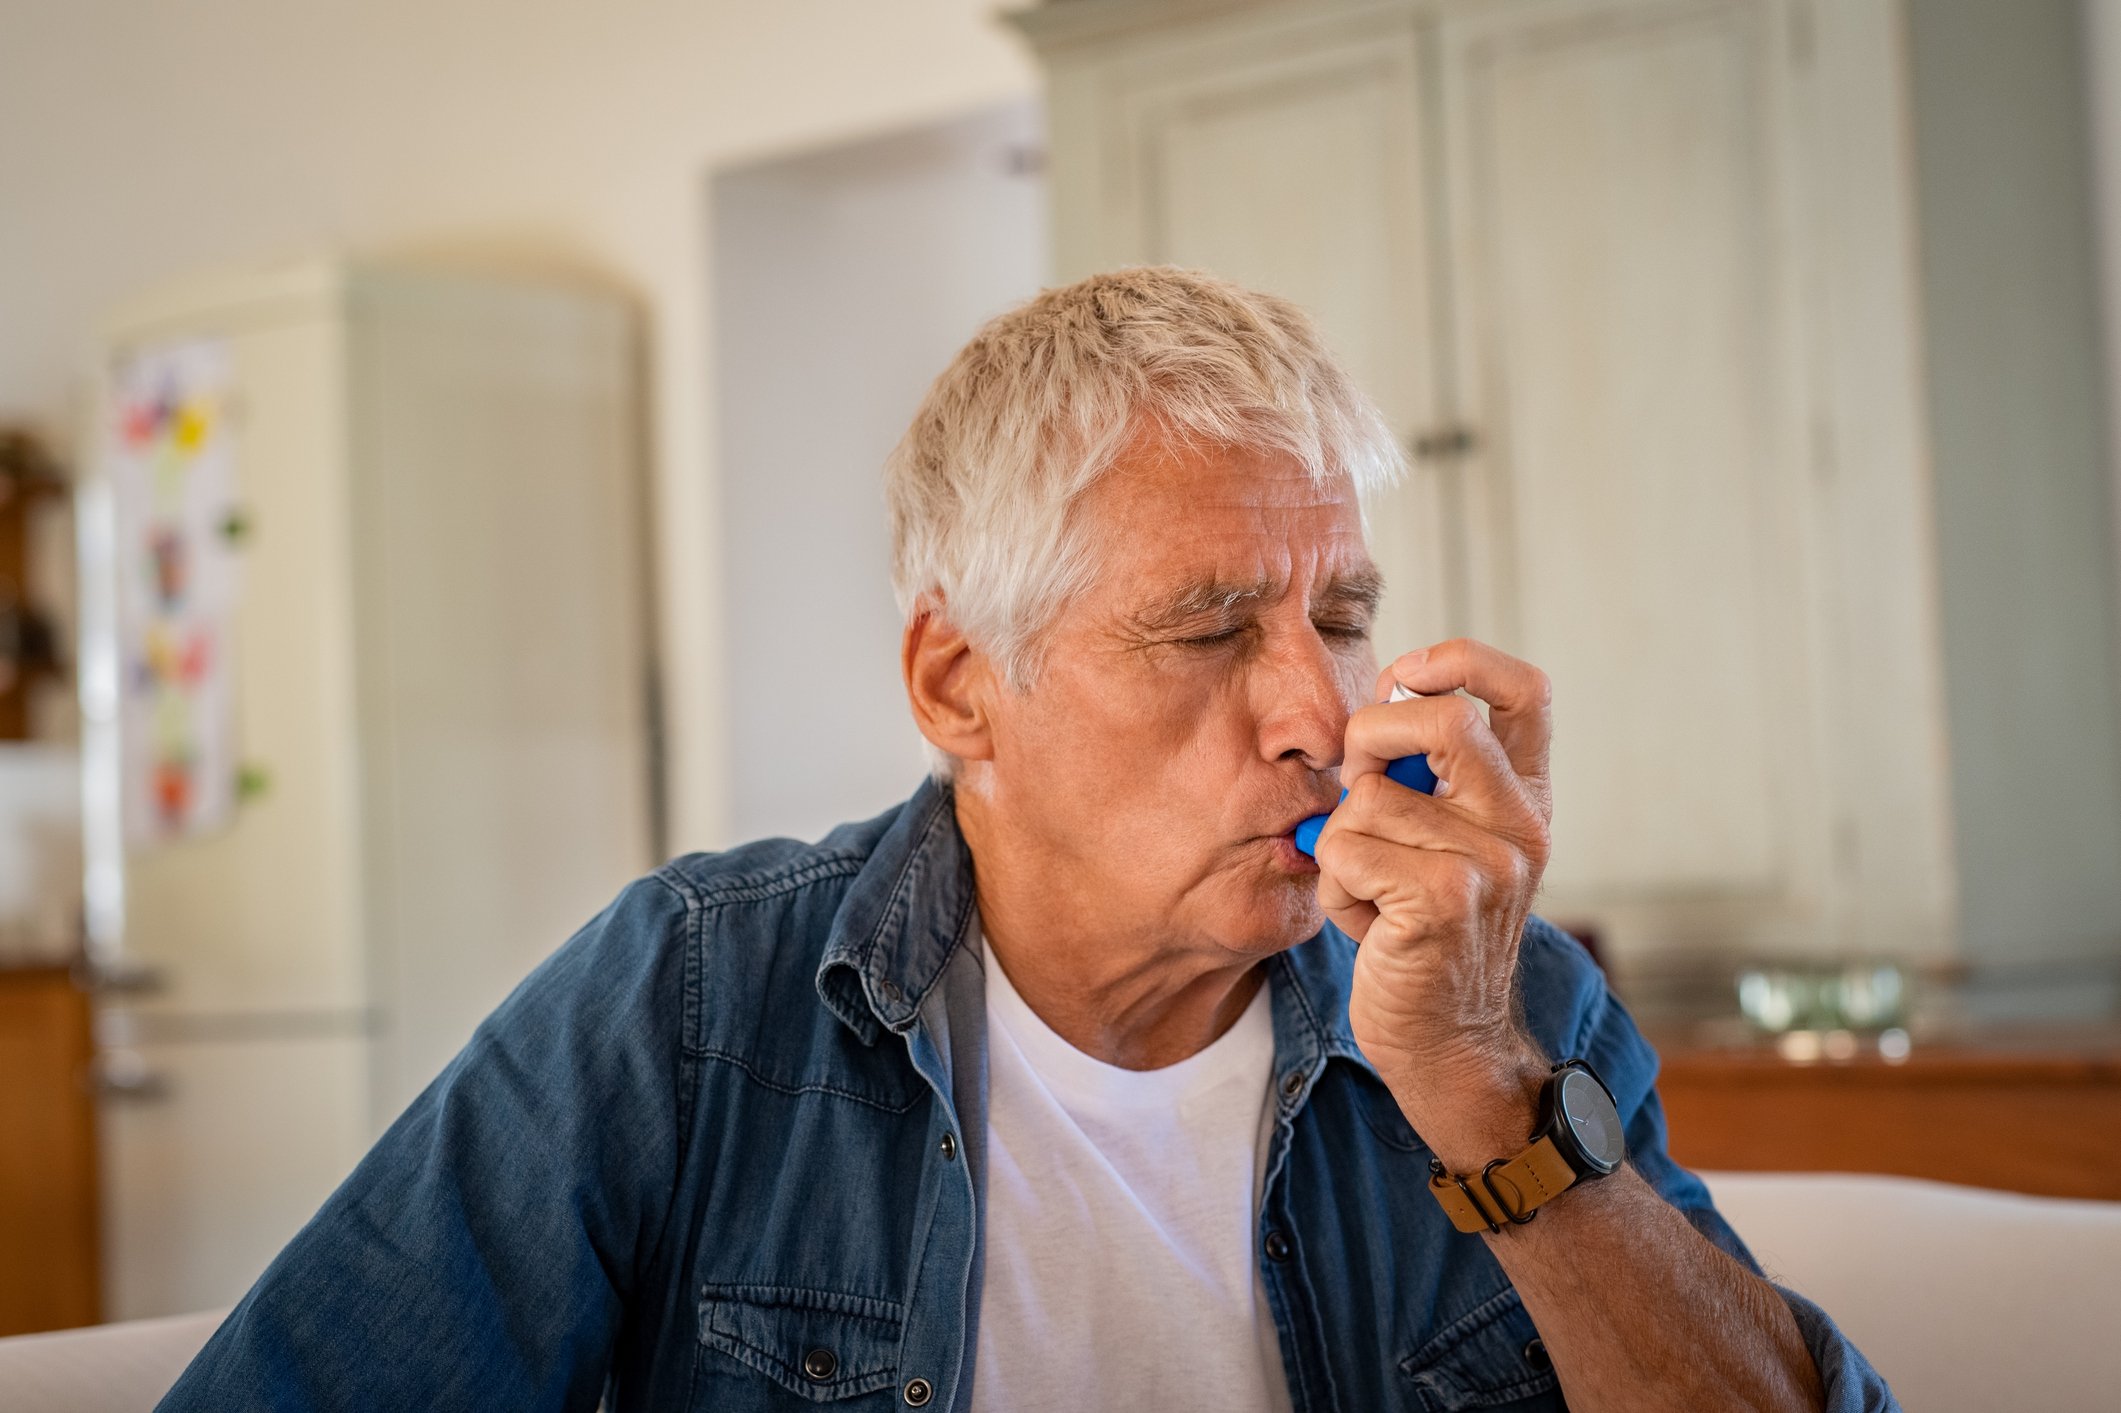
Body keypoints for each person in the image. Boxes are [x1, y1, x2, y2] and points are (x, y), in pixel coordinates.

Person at [160, 267, 1895, 1412]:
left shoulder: (1502, 1008)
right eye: (1210, 629)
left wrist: (1488, 1100)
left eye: (1343, 615)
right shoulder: (689, 1001)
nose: (1314, 707)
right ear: (958, 684)